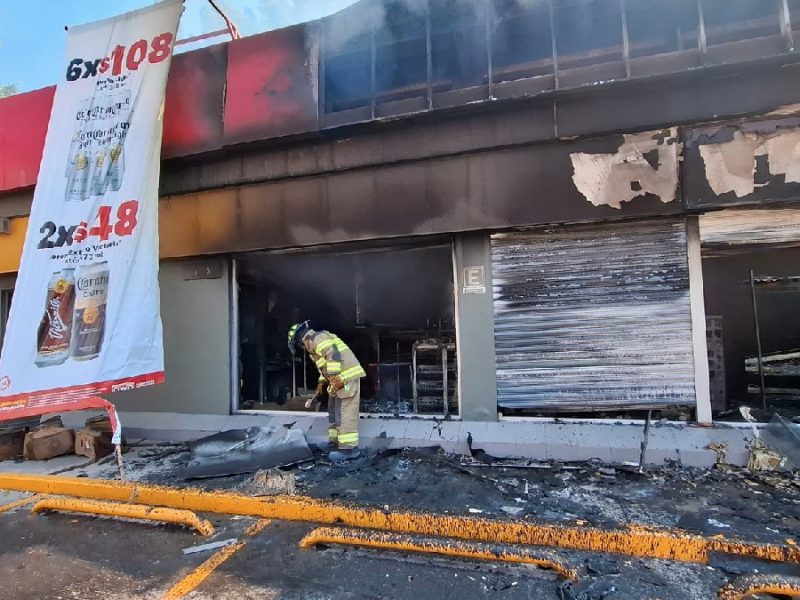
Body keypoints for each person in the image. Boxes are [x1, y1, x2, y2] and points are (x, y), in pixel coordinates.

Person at [288, 321, 366, 462]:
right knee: (333, 410)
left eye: (300, 345)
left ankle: (349, 449)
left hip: (346, 379)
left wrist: (335, 378)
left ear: (301, 341)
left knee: (344, 411)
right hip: (337, 380)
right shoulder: (314, 346)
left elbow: (333, 354)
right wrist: (322, 382)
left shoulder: (317, 339)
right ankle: (335, 443)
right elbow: (325, 367)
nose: (302, 348)